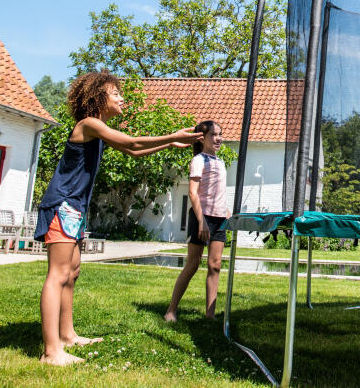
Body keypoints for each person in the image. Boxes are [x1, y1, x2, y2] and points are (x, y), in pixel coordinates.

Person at [35, 71, 201, 366]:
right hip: (62, 205)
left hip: (75, 208)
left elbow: (131, 151)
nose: (121, 98)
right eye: (115, 94)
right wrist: (173, 135)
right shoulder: (89, 124)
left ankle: (68, 335)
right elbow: (133, 142)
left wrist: (169, 144)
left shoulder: (97, 130)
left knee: (71, 273)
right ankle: (51, 351)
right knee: (58, 274)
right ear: (99, 97)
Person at [164, 120, 229, 322]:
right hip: (202, 217)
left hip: (219, 218)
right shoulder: (199, 160)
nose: (218, 138)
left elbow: (217, 190)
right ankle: (171, 311)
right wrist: (201, 221)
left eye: (220, 134)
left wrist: (225, 209)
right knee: (192, 264)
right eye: (213, 135)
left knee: (215, 265)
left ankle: (210, 315)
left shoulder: (220, 162)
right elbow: (193, 193)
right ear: (202, 138)